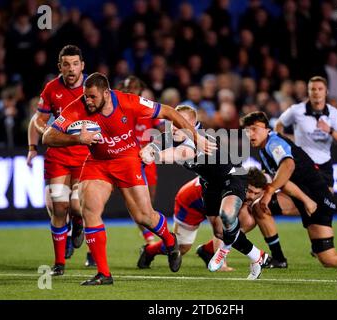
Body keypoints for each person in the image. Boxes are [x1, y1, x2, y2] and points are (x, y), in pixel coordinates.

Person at [42, 72, 215, 286]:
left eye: (93, 97)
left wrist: (195, 136)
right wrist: (78, 138)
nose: (88, 101)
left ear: (106, 93)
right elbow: (47, 136)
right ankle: (104, 274)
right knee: (89, 210)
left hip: (127, 160)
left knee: (144, 216)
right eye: (86, 96)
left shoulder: (128, 102)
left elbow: (169, 112)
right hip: (98, 163)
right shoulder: (79, 106)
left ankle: (170, 241)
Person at [241, 111, 337, 268]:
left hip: (319, 200)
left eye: (255, 129)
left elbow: (288, 166)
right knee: (260, 207)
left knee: (329, 259)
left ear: (267, 129)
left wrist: (269, 191)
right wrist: (302, 199)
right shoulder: (263, 150)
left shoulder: (273, 143)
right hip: (304, 198)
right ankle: (279, 258)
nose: (251, 134)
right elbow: (284, 182)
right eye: (247, 131)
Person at [140, 105, 268, 280]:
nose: (175, 127)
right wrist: (148, 149)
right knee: (219, 232)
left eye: (181, 123)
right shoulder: (171, 136)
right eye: (173, 122)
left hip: (232, 179)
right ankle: (257, 256)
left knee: (228, 215)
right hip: (209, 185)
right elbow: (154, 144)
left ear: (193, 125)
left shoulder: (199, 139)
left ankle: (224, 249)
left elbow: (181, 153)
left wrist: (156, 156)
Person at [137, 168, 317, 270]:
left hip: (211, 201)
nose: (252, 195)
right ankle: (149, 251)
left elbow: (280, 181)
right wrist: (222, 264)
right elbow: (219, 226)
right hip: (190, 202)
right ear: (243, 185)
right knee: (183, 247)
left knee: (247, 221)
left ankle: (208, 251)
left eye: (257, 193)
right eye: (250, 191)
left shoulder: (251, 179)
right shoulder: (233, 185)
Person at [26, 45, 90, 275]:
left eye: (75, 64)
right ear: (60, 66)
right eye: (66, 64)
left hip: (85, 155)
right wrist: (47, 133)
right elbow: (39, 120)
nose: (71, 69)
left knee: (77, 205)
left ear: (82, 65)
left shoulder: (93, 87)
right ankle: (59, 263)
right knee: (59, 206)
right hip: (59, 155)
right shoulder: (52, 88)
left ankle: (79, 223)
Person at [275, 76, 337, 192]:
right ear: (308, 92)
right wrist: (286, 143)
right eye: (313, 89)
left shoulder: (333, 113)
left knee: (328, 206)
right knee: (300, 202)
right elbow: (279, 125)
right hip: (303, 163)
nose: (316, 92)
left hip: (324, 164)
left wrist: (329, 130)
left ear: (326, 92)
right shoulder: (296, 110)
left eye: (320, 89)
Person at [123, 75, 164, 244]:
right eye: (128, 87)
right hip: (127, 159)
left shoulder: (146, 108)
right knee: (133, 200)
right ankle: (149, 238)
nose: (131, 90)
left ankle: (149, 232)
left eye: (134, 87)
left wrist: (155, 145)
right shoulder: (118, 108)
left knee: (149, 201)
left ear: (140, 90)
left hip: (147, 159)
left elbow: (162, 129)